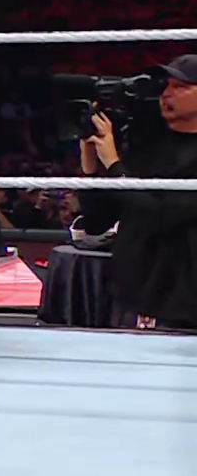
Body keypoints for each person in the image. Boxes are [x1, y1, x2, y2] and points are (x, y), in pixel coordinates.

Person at [75, 55, 197, 328]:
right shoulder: (147, 145)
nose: (167, 94)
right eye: (165, 85)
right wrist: (91, 165)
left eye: (181, 86)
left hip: (182, 301)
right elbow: (97, 222)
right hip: (130, 296)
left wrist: (114, 166)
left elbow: (163, 216)